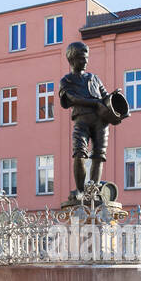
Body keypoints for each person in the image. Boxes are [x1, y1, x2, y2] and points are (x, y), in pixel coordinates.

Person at [58, 41, 113, 201]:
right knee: (79, 153)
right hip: (81, 121)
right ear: (72, 60)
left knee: (98, 155)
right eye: (82, 58)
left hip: (101, 122)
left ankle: (93, 191)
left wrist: (114, 99)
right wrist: (95, 102)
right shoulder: (66, 80)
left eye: (86, 58)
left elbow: (105, 96)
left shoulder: (94, 78)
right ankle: (80, 190)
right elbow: (72, 98)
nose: (86, 61)